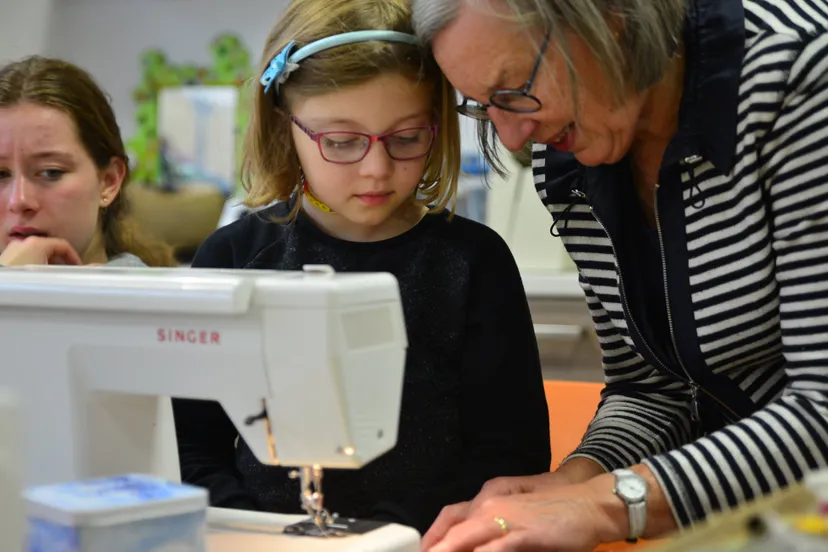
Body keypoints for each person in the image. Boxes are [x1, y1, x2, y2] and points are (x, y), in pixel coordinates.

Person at [410, 0, 828, 550]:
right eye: (485, 107)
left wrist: (609, 503)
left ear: (608, 18)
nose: (512, 137)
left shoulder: (800, 72)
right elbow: (651, 389)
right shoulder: (570, 152)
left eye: (513, 90)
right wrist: (575, 480)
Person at [171, 0, 551, 536]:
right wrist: (257, 533)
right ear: (285, 129)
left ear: (437, 125)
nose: (376, 169)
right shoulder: (231, 260)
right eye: (342, 141)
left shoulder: (474, 263)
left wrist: (393, 536)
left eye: (406, 138)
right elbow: (194, 450)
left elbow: (511, 453)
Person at [0, 56, 175, 268]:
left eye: (51, 172)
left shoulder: (140, 296)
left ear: (108, 182)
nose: (19, 201)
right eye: (1, 175)